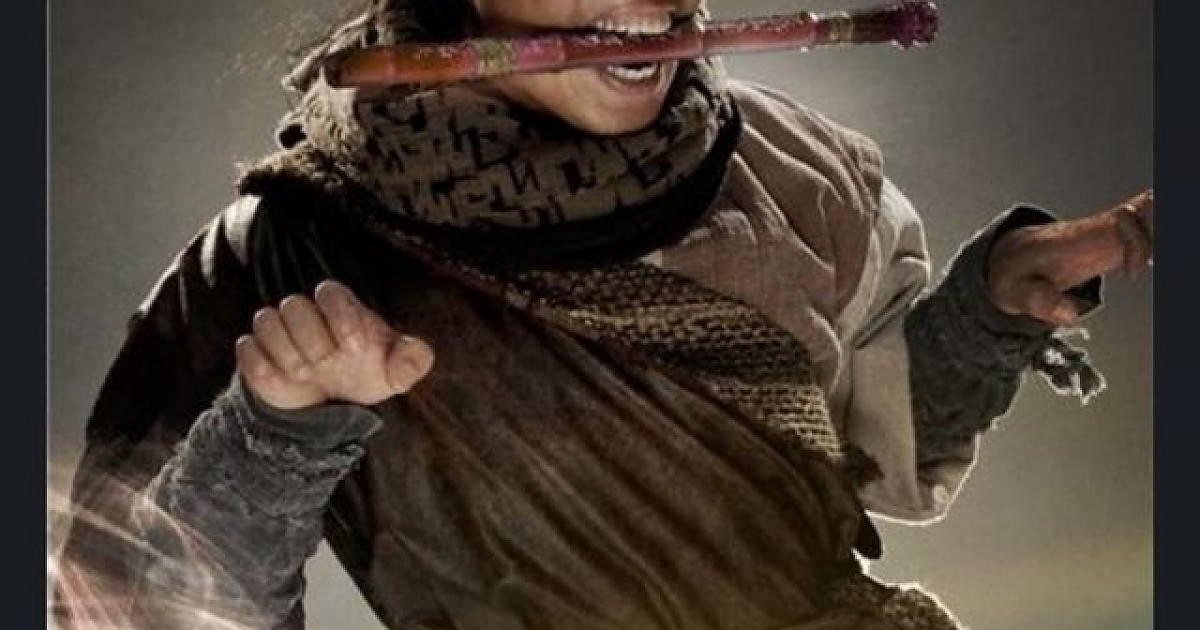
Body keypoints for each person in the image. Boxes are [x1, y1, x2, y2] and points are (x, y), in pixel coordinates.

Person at [52, 0, 1153, 628]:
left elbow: (874, 454)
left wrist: (993, 304)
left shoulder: (800, 166)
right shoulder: (285, 253)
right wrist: (275, 434)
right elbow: (131, 609)